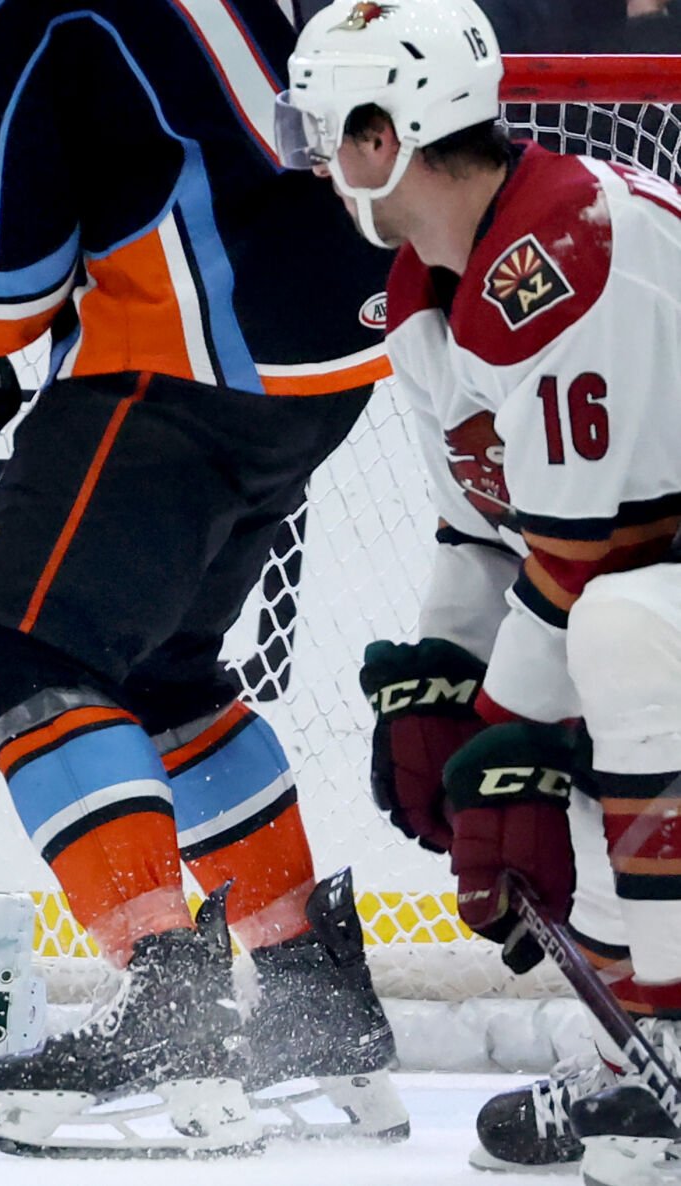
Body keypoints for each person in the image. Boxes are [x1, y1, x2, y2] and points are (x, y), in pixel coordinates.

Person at [0, 0, 407, 1159]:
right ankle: (312, 1005)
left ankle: (169, 1005)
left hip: (192, 340)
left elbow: (3, 272)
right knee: (157, 669)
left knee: (20, 648)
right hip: (327, 338)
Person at [281, 2, 681, 1181]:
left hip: (634, 579)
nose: (310, 158)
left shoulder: (556, 250)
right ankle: (631, 1060)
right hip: (636, 571)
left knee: (605, 643)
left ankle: (663, 1056)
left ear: (379, 134)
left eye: (318, 129)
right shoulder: (426, 291)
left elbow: (578, 562)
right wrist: (444, 693)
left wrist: (498, 734)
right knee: (516, 733)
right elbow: (483, 535)